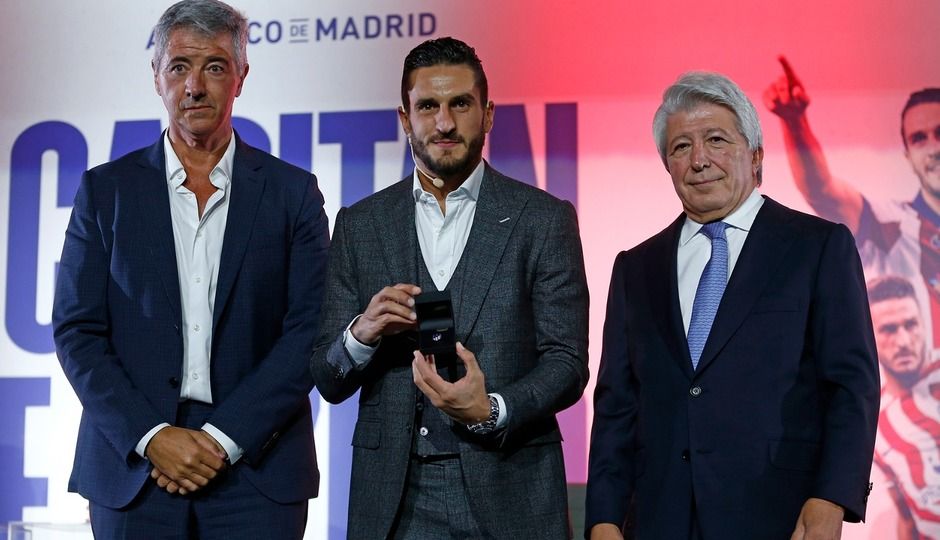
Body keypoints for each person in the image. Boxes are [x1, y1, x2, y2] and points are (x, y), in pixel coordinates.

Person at [52, 1, 329, 537]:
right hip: (134, 471)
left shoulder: (293, 193)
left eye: (215, 67)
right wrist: (152, 435)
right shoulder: (105, 192)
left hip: (257, 470)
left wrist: (223, 438)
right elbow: (77, 330)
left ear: (241, 77)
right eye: (179, 66)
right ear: (156, 78)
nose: (195, 86)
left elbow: (309, 331)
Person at [310, 37, 589, 539]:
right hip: (393, 502)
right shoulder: (360, 224)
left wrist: (492, 410)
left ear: (488, 114)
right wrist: (362, 332)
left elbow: (566, 362)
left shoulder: (543, 220)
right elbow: (328, 379)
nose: (444, 123)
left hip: (511, 489)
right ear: (404, 118)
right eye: (428, 106)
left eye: (460, 103)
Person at [584, 71, 880, 539]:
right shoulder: (634, 268)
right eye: (681, 147)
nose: (699, 160)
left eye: (716, 140)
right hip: (660, 518)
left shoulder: (817, 247)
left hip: (778, 515)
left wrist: (833, 497)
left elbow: (851, 385)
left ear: (756, 155)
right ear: (667, 166)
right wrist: (602, 519)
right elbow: (618, 406)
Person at [765, 57, 940, 358]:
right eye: (919, 139)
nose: (933, 147)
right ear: (908, 155)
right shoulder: (892, 227)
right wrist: (795, 124)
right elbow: (821, 190)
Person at [867, 276, 940, 539]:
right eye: (889, 329)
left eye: (911, 325)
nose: (904, 341)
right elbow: (907, 518)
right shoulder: (873, 422)